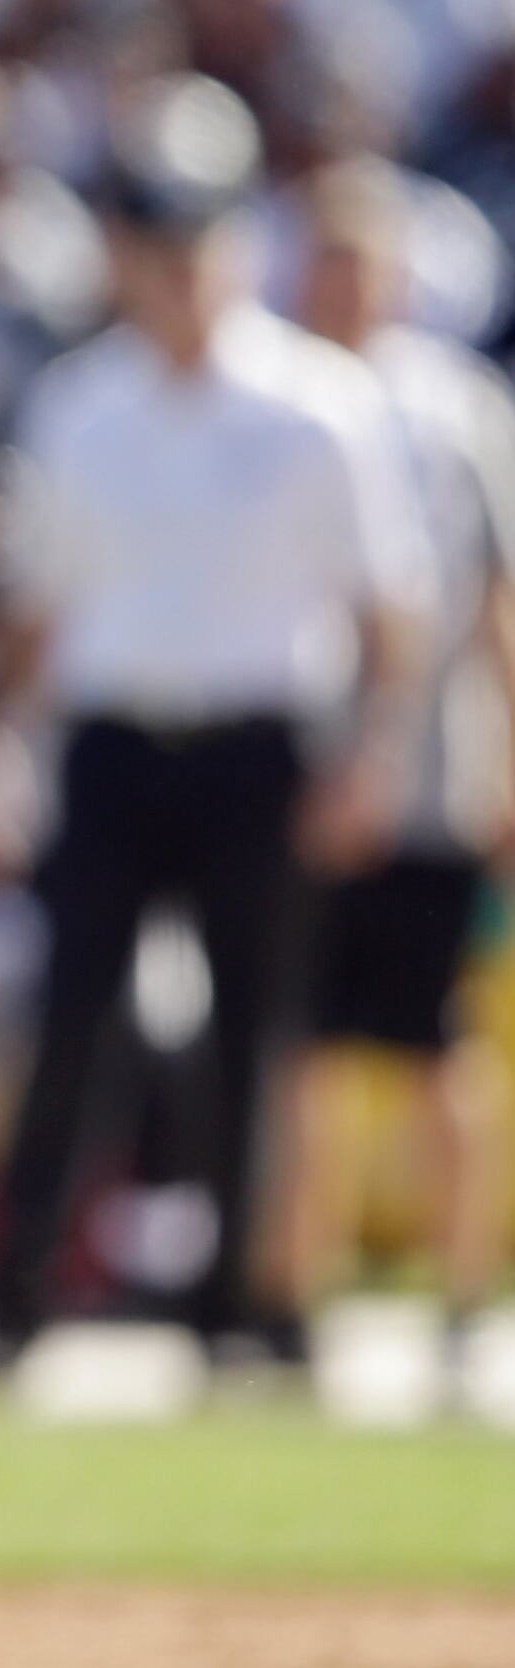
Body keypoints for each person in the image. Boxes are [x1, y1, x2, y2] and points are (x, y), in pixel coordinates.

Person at [0, 79, 433, 1367]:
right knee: (75, 1019)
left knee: (254, 1031)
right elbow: (41, 609)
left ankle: (241, 1306)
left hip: (257, 742)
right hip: (114, 742)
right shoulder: (79, 402)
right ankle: (17, 1301)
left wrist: (372, 757)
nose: (170, 265)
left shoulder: (318, 405)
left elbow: (394, 610)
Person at [266, 158, 515, 1342]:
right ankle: (292, 1295)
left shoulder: (459, 412)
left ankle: (467, 1294)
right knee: (303, 1049)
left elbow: (497, 606)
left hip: (429, 783)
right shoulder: (279, 393)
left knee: (433, 1047)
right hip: (303, 777)